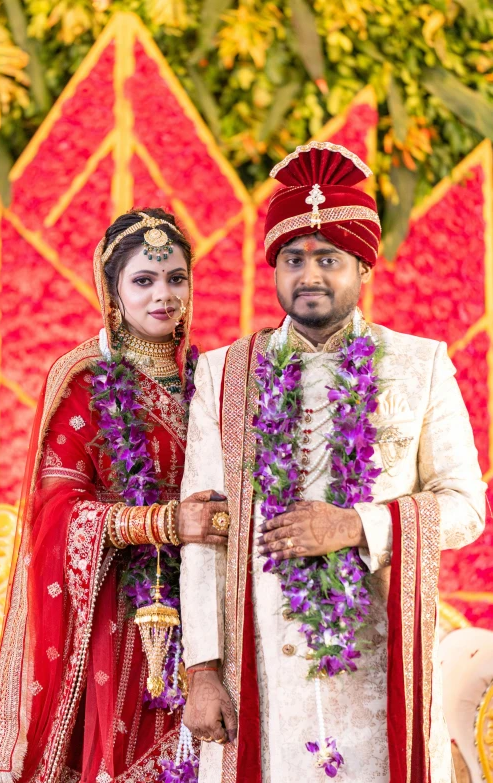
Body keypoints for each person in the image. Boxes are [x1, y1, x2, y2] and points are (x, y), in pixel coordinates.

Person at [179, 142, 486, 783]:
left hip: (378, 666)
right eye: (293, 259)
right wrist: (202, 668)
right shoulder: (224, 373)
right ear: (274, 269)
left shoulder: (419, 364)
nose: (310, 274)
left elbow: (466, 510)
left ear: (363, 266)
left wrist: (355, 526)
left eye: (329, 259)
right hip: (257, 667)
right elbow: (200, 532)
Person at [0, 208, 228, 783]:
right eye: (143, 280)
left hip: (214, 605)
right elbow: (56, 513)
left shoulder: (214, 379)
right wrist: (160, 523)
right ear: (112, 292)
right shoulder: (86, 379)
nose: (164, 294)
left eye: (176, 278)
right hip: (118, 615)